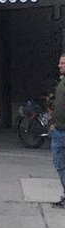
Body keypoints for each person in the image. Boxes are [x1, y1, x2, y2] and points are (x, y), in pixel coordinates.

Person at [51, 54, 65, 208]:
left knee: (60, 163)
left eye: (63, 63)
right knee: (59, 163)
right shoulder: (62, 82)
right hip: (59, 129)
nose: (59, 65)